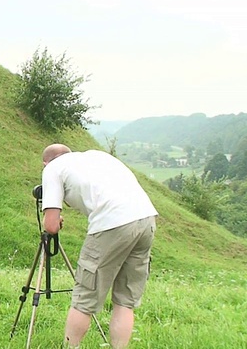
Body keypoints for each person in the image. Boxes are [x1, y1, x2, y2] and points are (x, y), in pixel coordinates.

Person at [40, 143, 157, 349]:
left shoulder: (52, 169)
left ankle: (71, 347)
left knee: (84, 298)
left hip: (112, 223)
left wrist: (55, 221)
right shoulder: (96, 156)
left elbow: (50, 226)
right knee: (125, 300)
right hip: (146, 217)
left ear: (45, 162)